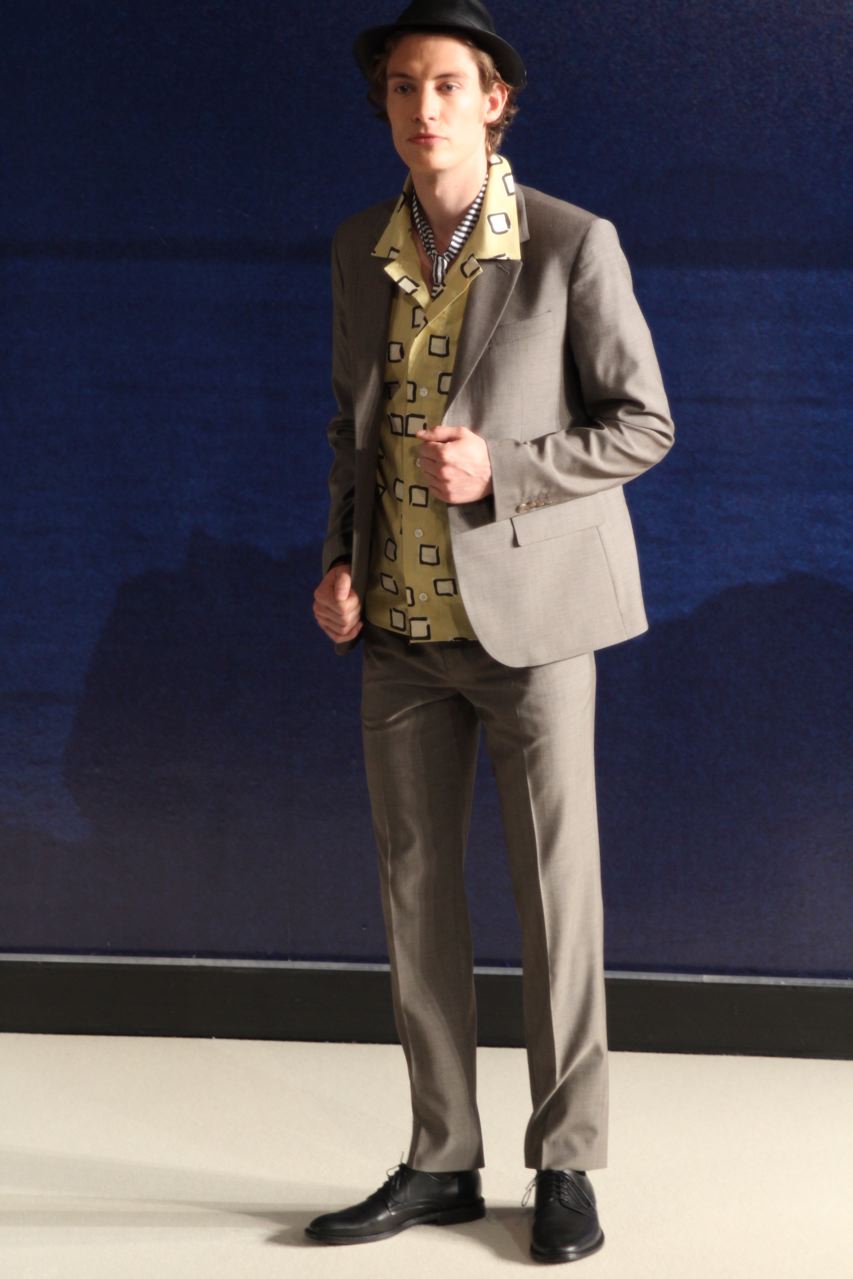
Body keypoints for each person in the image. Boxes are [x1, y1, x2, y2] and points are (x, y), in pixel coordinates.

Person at [307, 0, 674, 1263]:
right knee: (415, 896)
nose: (425, 108)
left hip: (534, 630)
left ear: (494, 100)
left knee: (557, 901)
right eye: (404, 87)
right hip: (399, 630)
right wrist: (338, 564)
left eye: (449, 85)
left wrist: (503, 470)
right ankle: (441, 1159)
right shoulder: (359, 246)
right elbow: (350, 434)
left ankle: (565, 1163)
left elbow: (642, 424)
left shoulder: (570, 243)